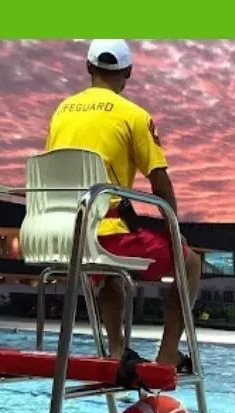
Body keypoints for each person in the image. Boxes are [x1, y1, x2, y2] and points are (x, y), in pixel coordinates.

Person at [44, 39, 202, 373]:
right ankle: (169, 354)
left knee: (112, 275)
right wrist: (175, 233)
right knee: (189, 263)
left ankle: (116, 348)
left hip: (58, 232)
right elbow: (160, 183)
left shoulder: (61, 112)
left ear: (88, 67)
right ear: (128, 72)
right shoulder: (134, 116)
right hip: (104, 233)